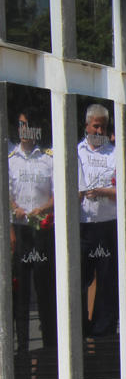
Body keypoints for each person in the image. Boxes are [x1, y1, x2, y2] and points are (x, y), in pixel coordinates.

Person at [10, 109, 55, 353]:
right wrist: (14, 208)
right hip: (21, 231)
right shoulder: (10, 160)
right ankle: (22, 345)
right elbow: (6, 194)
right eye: (21, 124)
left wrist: (43, 208)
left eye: (28, 125)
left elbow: (56, 195)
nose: (24, 130)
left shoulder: (47, 159)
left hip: (42, 231)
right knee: (22, 291)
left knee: (44, 287)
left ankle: (49, 343)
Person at [78, 104, 119, 337]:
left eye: (103, 127)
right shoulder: (77, 151)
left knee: (107, 278)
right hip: (84, 224)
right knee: (82, 277)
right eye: (96, 126)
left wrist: (103, 192)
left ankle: (104, 330)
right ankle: (81, 326)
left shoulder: (114, 154)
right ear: (87, 126)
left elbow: (121, 189)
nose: (100, 131)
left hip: (106, 224)